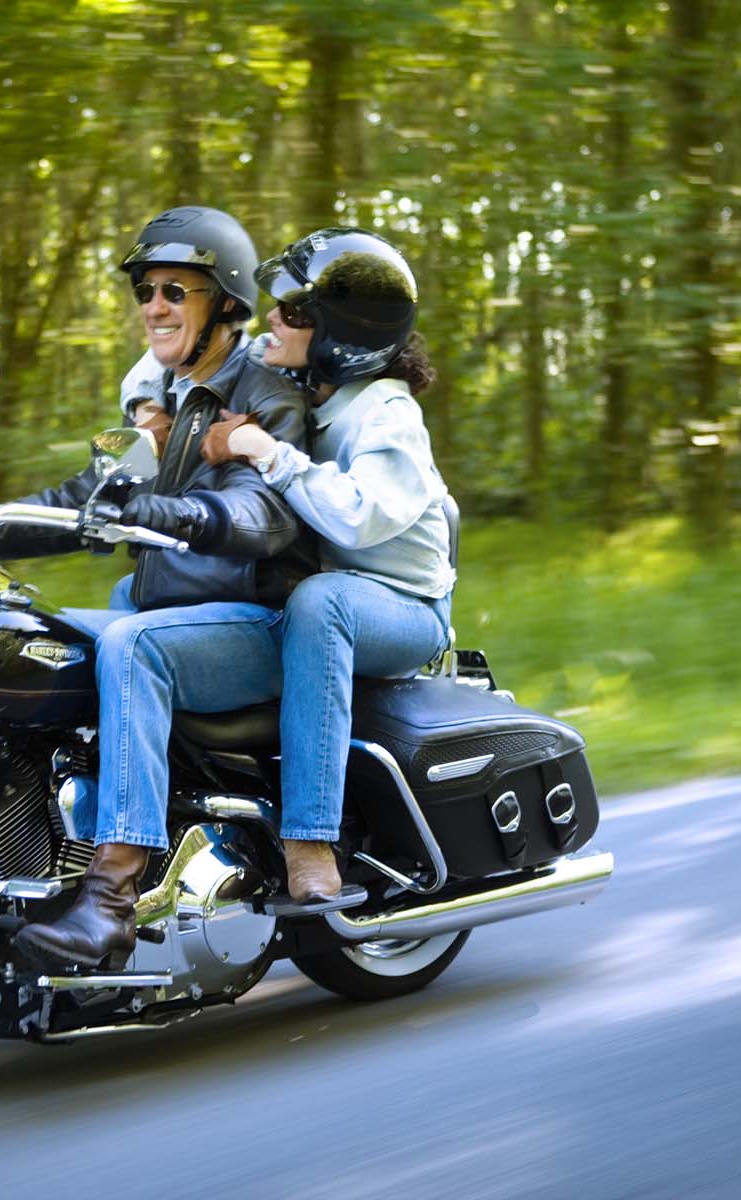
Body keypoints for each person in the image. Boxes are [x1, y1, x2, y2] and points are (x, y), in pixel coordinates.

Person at [0, 206, 314, 968]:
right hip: (172, 615)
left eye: (176, 291)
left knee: (129, 646)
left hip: (252, 624)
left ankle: (110, 900)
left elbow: (259, 517)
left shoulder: (267, 402)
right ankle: (11, 868)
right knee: (12, 637)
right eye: (146, 291)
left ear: (225, 304)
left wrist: (157, 507)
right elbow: (89, 496)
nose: (155, 306)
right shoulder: (159, 405)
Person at [207, 227, 455, 903]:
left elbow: (356, 516)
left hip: (404, 607)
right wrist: (147, 411)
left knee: (321, 602)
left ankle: (309, 839)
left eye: (294, 312)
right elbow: (195, 363)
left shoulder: (387, 413)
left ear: (340, 335)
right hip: (334, 593)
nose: (273, 320)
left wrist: (265, 449)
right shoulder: (298, 378)